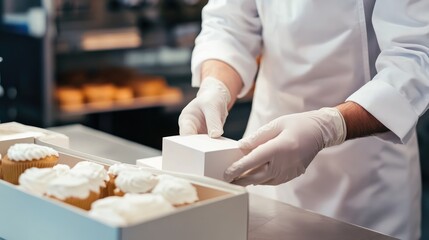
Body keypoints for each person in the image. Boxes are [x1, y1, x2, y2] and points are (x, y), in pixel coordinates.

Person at [178, 1, 429, 239]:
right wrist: (216, 87)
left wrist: (329, 126)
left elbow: (414, 59)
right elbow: (228, 25)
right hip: (265, 150)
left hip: (366, 170)